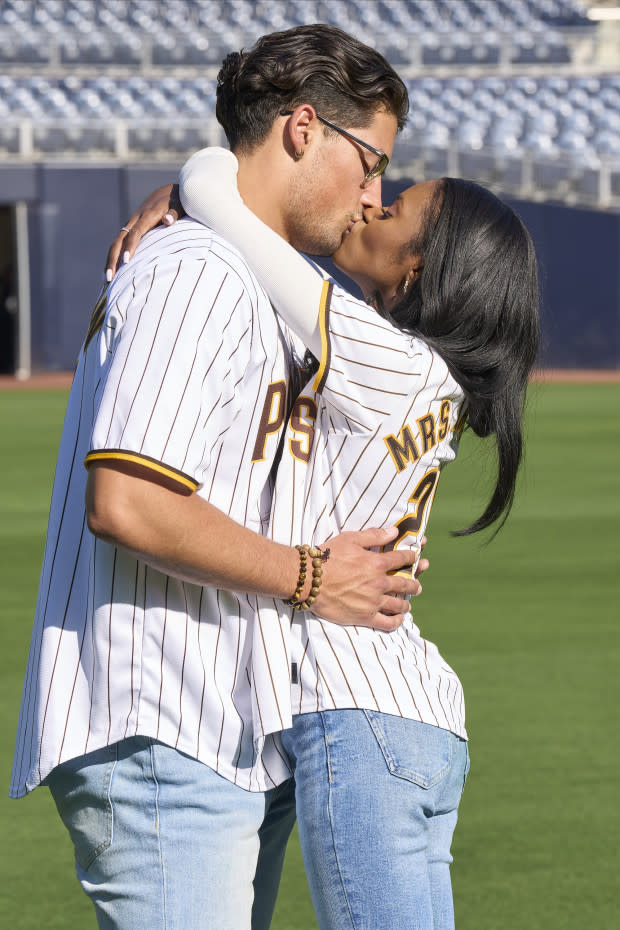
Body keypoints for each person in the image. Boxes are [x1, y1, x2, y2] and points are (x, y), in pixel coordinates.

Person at [9, 25, 425, 930]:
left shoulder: (244, 267)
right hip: (162, 717)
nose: (373, 194)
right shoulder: (194, 270)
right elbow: (129, 502)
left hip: (226, 720)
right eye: (371, 162)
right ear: (304, 128)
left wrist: (194, 183)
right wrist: (315, 578)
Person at [122, 145, 540, 930]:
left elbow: (220, 195)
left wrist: (194, 184)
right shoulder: (422, 374)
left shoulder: (390, 362)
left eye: (399, 210)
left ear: (418, 272)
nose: (374, 205)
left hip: (359, 714)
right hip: (406, 714)